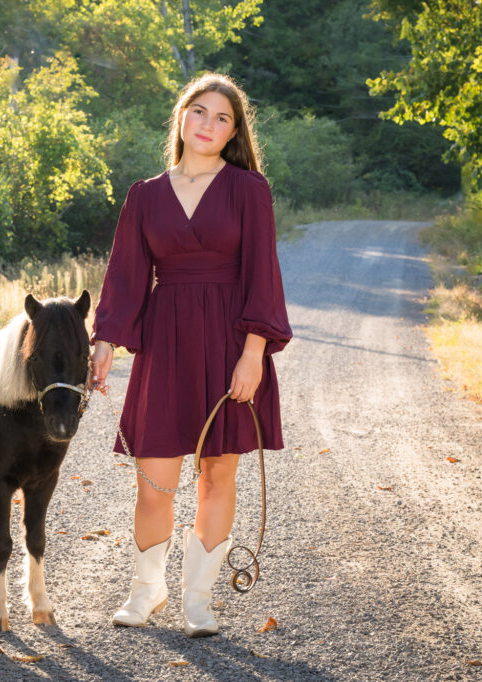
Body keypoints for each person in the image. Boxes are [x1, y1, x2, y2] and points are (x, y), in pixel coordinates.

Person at [88, 73, 292, 638]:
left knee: (216, 474)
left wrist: (254, 354)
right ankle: (146, 590)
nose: (208, 124)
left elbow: (262, 277)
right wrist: (104, 342)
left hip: (230, 341)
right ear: (180, 117)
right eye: (199, 111)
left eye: (222, 117)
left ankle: (198, 600)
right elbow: (125, 278)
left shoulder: (249, 190)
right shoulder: (145, 195)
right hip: (166, 343)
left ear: (234, 132)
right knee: (153, 479)